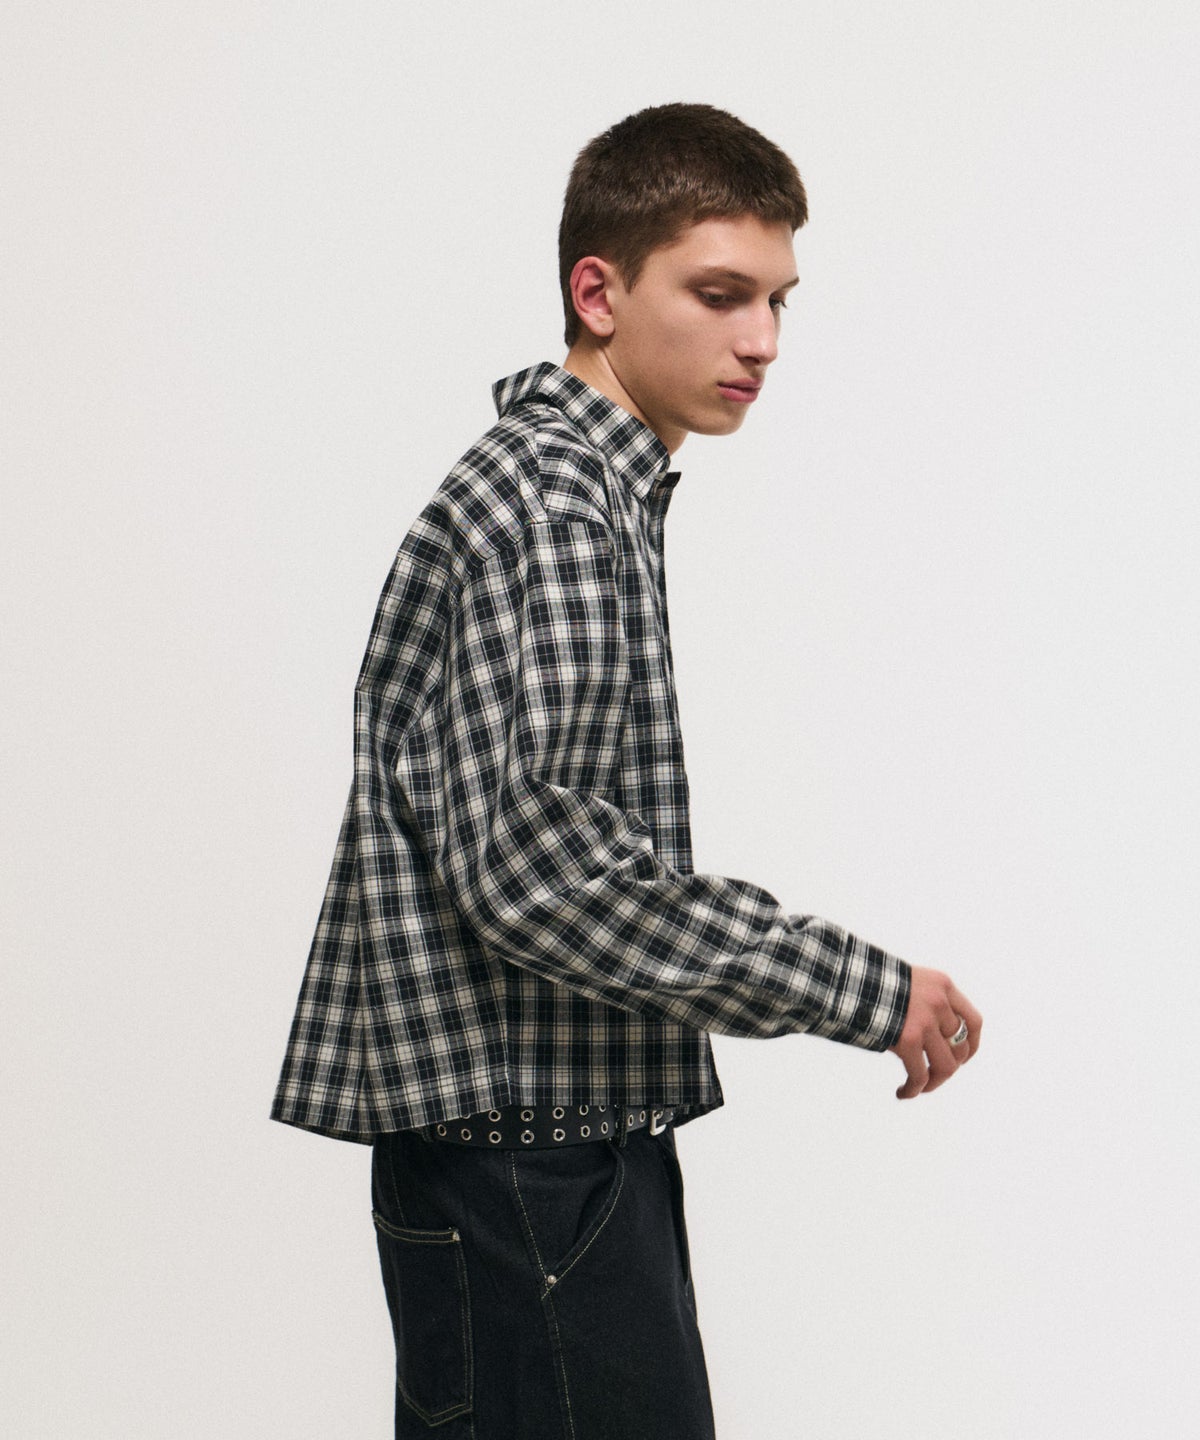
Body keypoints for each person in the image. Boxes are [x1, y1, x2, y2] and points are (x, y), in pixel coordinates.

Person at [271, 101, 982, 1440]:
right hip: (529, 1176)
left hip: (543, 1162)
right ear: (597, 294)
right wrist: (855, 986)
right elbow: (531, 867)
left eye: (777, 300)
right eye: (720, 295)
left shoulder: (579, 492)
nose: (762, 340)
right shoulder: (550, 506)